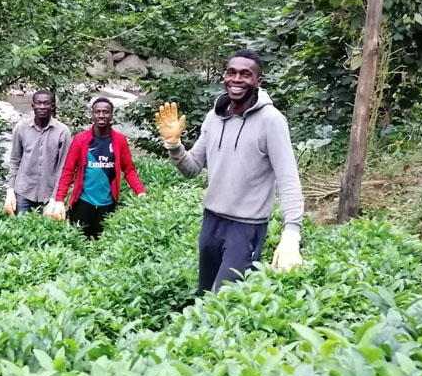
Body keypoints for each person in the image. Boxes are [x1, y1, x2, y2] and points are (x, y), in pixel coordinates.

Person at [154, 49, 304, 294]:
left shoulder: (271, 120)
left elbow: (289, 180)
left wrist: (291, 234)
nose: (237, 79)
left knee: (225, 300)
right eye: (232, 72)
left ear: (258, 81)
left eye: (246, 74)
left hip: (246, 227)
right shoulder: (214, 117)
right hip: (211, 221)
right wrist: (173, 145)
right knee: (204, 294)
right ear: (224, 76)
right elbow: (192, 168)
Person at [45, 97, 146, 238]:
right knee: (79, 242)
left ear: (111, 115)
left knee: (102, 244)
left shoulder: (119, 141)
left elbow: (129, 170)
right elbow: (68, 171)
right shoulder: (81, 140)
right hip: (83, 203)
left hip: (108, 204)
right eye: (97, 112)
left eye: (106, 112)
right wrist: (59, 200)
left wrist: (140, 192)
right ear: (92, 115)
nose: (101, 115)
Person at [4, 89, 72, 217]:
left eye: (46, 103)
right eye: (38, 103)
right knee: (20, 232)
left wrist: (55, 199)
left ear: (52, 106)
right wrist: (10, 191)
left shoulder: (63, 132)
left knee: (46, 234)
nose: (42, 107)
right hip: (23, 192)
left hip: (48, 195)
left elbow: (63, 168)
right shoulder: (21, 128)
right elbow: (14, 160)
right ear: (32, 106)